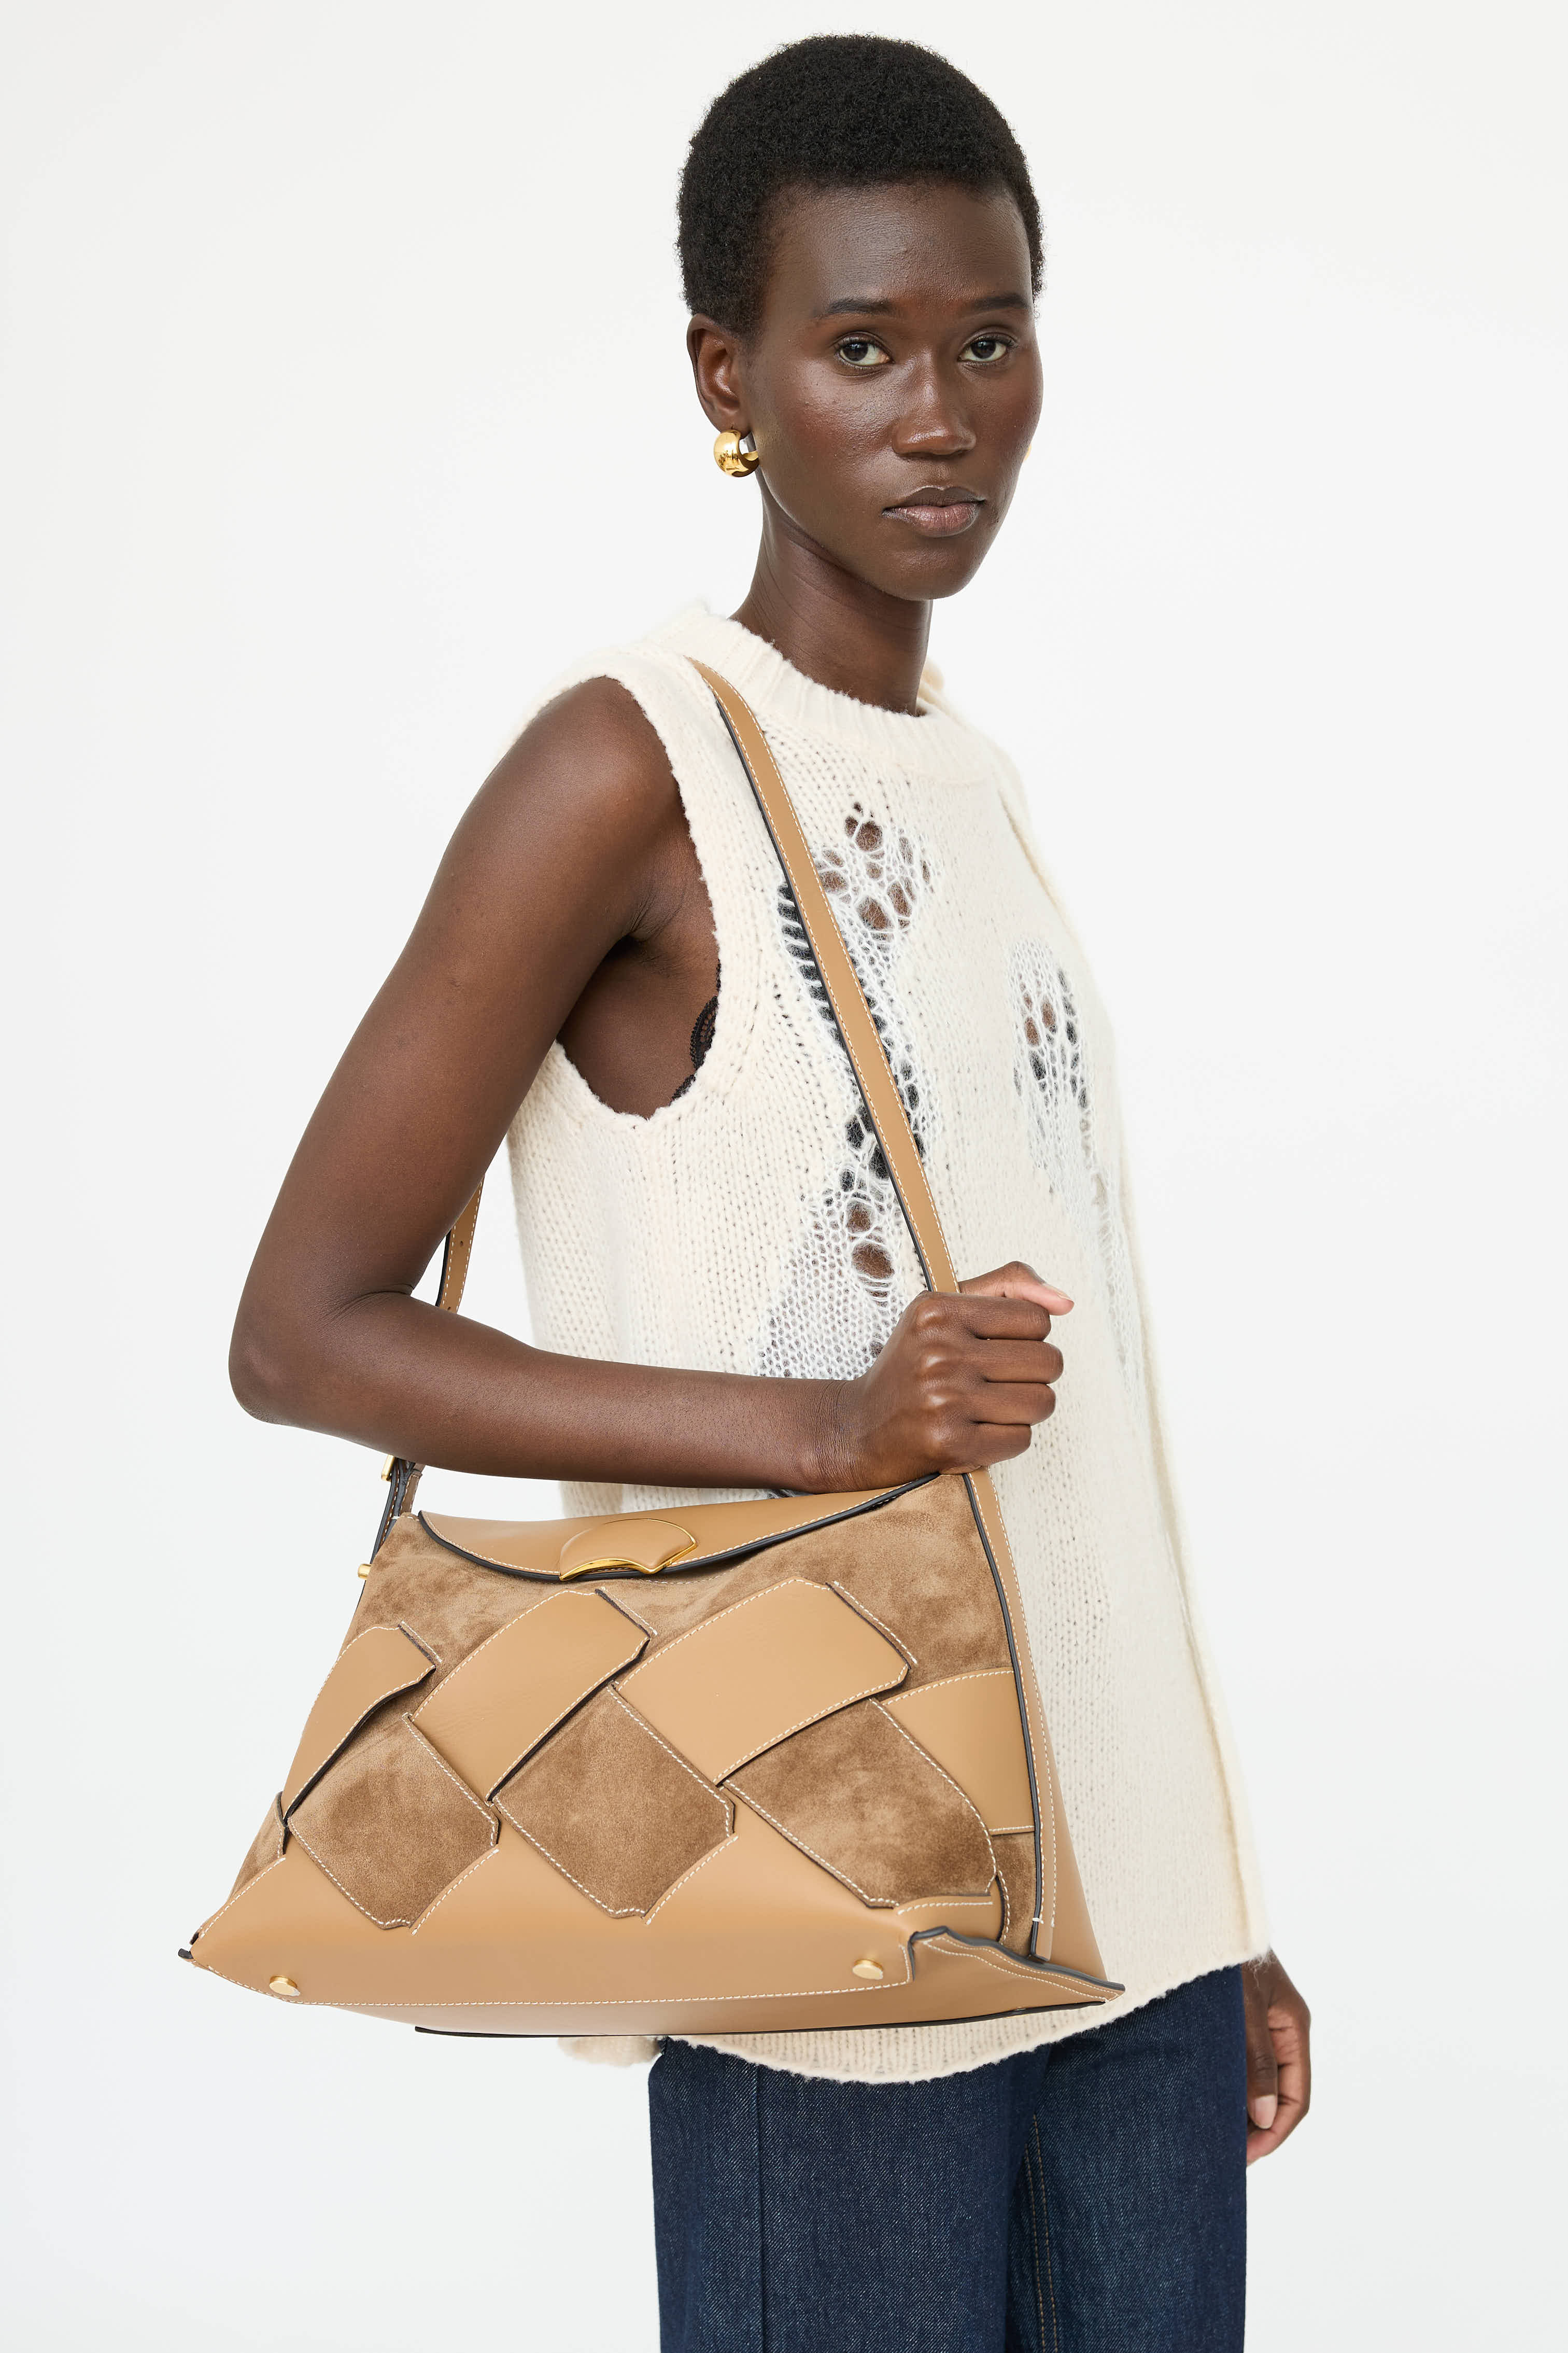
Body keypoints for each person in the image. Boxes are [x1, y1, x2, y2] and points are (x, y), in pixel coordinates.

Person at [230, 34, 1310, 2351]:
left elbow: (1093, 1424)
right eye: (862, 349)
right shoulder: (630, 763)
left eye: (988, 344)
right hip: (819, 1909)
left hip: (1128, 1936)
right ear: (730, 379)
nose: (939, 417)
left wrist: (1219, 1897)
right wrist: (820, 1429)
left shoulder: (976, 785)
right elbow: (302, 1330)